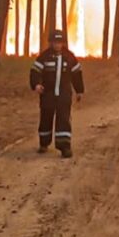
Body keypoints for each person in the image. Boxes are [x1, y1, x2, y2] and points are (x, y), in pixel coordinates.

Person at [29, 30, 84, 158]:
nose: (57, 45)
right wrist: (36, 84)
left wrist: (79, 90)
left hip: (64, 95)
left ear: (63, 43)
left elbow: (77, 74)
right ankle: (44, 143)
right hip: (47, 94)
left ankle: (64, 147)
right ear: (50, 43)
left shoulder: (70, 57)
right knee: (46, 118)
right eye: (55, 42)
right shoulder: (44, 56)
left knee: (64, 119)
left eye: (59, 42)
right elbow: (35, 71)